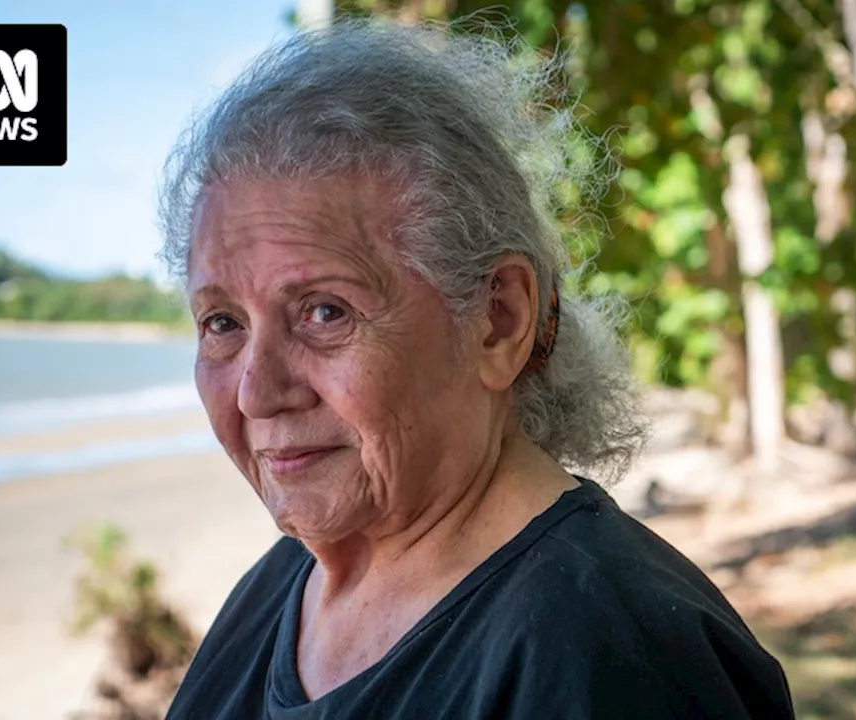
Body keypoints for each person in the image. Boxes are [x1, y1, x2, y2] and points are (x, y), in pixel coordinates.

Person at [158, 17, 794, 719]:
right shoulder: (287, 585)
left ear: (499, 321)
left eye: (325, 312)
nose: (256, 392)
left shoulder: (610, 651)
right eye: (223, 324)